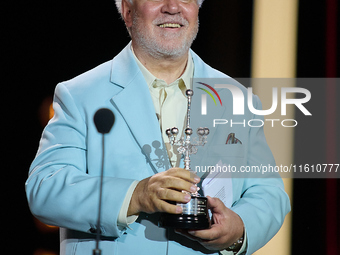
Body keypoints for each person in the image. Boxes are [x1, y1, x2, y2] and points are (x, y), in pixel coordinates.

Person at [26, 0, 291, 254]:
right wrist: (135, 195)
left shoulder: (238, 99)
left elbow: (268, 193)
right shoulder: (80, 94)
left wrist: (239, 229)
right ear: (128, 11)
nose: (173, 7)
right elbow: (44, 188)